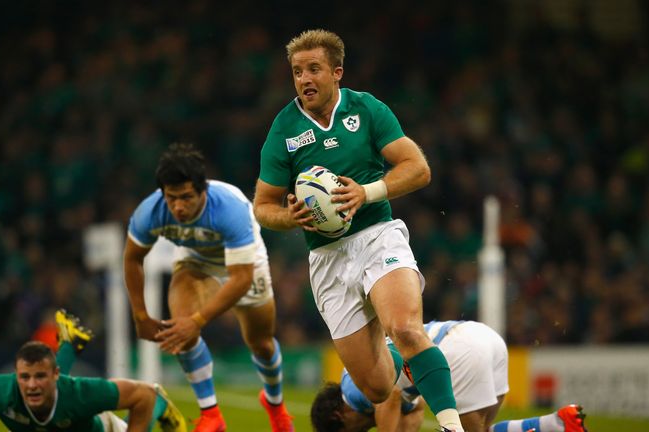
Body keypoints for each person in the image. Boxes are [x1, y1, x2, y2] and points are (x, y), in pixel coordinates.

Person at [253, 29, 462, 431]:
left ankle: (452, 425)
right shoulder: (283, 130)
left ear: (337, 72)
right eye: (297, 72)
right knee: (379, 388)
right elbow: (263, 207)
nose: (304, 79)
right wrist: (290, 217)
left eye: (314, 69)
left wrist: (365, 192)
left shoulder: (366, 110)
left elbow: (418, 168)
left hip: (376, 234)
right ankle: (406, 363)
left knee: (405, 327)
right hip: (326, 258)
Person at [124, 142, 294, 432]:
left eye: (187, 197)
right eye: (171, 197)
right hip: (196, 260)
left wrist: (199, 320)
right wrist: (140, 315)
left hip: (244, 262)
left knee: (261, 344)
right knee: (181, 328)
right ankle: (211, 413)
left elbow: (240, 277)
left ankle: (275, 404)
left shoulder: (229, 209)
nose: (178, 206)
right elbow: (132, 259)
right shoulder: (150, 212)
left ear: (203, 191)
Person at [0, 309, 186, 432]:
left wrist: (152, 399)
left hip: (100, 430)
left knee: (148, 399)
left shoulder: (80, 393)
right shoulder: (1, 391)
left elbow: (142, 396)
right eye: (24, 377)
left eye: (39, 376)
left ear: (57, 376)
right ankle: (70, 343)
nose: (30, 385)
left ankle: (161, 405)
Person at [310, 320, 589, 432]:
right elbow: (415, 407)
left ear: (338, 416)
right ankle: (556, 423)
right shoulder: (360, 384)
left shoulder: (354, 387)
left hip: (456, 352)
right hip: (485, 339)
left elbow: (390, 398)